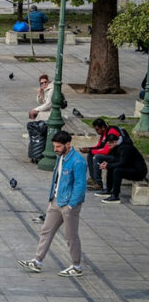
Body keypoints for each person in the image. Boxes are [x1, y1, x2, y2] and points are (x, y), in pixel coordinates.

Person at [18, 131, 87, 277]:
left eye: (58, 146)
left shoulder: (78, 161)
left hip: (69, 204)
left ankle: (76, 266)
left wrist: (71, 205)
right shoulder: (60, 157)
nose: (55, 149)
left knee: (71, 236)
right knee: (46, 230)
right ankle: (37, 261)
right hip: (56, 200)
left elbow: (80, 186)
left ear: (68, 144)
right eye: (54, 146)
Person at [94, 133, 148, 203]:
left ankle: (115, 196)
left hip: (139, 172)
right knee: (111, 166)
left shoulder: (125, 148)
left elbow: (123, 163)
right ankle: (108, 190)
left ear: (115, 142)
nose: (108, 146)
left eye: (109, 144)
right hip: (131, 167)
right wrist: (107, 164)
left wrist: (108, 165)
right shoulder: (117, 146)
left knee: (117, 171)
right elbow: (117, 160)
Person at [79, 118, 123, 190]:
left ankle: (99, 183)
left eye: (97, 129)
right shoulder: (103, 133)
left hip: (117, 156)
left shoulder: (112, 132)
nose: (97, 132)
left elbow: (105, 151)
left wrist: (90, 150)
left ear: (103, 127)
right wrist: (88, 149)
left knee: (97, 157)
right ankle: (93, 179)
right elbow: (98, 146)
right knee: (90, 154)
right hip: (111, 154)